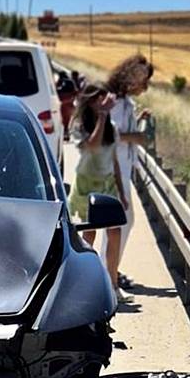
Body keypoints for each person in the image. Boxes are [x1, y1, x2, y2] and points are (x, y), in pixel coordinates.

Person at [68, 83, 128, 298]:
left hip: (108, 183)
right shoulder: (79, 125)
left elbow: (114, 160)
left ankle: (113, 284)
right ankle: (86, 282)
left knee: (114, 232)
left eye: (104, 100)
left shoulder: (110, 126)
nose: (102, 104)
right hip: (87, 184)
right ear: (89, 101)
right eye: (98, 100)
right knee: (89, 233)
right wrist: (102, 118)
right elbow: (91, 146)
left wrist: (122, 192)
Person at [105, 54, 154, 292]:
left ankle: (111, 271)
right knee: (120, 222)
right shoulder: (114, 102)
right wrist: (136, 137)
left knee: (120, 222)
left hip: (121, 170)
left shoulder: (124, 103)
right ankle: (108, 274)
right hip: (113, 171)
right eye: (142, 80)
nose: (144, 87)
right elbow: (109, 136)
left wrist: (137, 120)